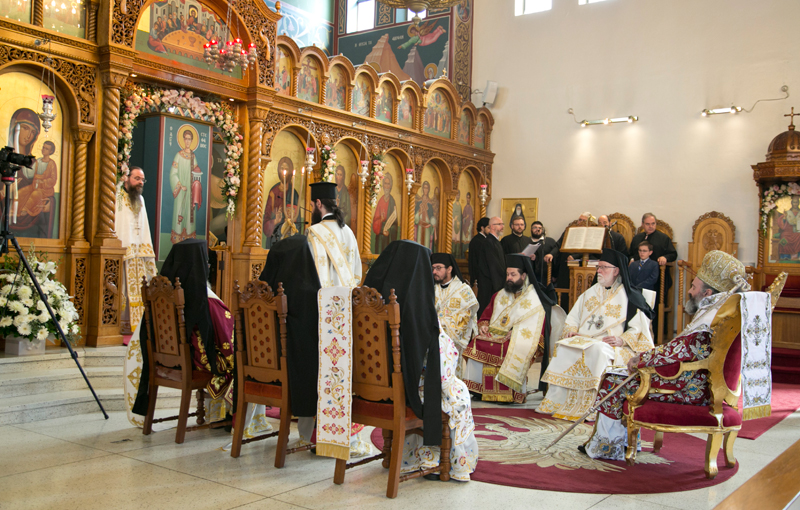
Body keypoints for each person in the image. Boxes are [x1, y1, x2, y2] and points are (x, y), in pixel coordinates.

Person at [581, 250, 749, 460]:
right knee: (619, 376)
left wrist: (640, 360)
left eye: (693, 287)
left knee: (613, 380)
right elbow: (680, 349)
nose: (689, 291)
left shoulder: (710, 319)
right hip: (701, 382)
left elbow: (678, 350)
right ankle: (621, 442)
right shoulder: (719, 312)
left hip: (690, 388)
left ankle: (609, 448)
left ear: (707, 293)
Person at [261, 181, 367, 455]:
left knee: (311, 373)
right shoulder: (349, 233)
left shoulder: (314, 233)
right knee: (341, 374)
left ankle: (308, 434)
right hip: (344, 315)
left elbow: (307, 277)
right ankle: (343, 435)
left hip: (318, 313)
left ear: (318, 205)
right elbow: (356, 275)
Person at [364, 241, 479, 481]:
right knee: (458, 394)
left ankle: (404, 456)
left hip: (369, 393)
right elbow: (444, 374)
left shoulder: (365, 310)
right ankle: (436, 459)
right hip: (407, 397)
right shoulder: (422, 322)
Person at [128, 240, 248, 430]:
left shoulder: (160, 295)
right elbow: (228, 339)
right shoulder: (206, 301)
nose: (208, 266)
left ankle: (216, 414)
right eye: (205, 261)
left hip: (166, 360)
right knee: (240, 362)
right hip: (194, 362)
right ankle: (229, 417)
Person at [537, 248, 655, 421]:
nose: (598, 271)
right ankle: (557, 402)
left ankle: (592, 404)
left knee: (598, 350)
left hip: (611, 345)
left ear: (616, 271)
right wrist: (570, 330)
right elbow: (573, 317)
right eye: (598, 267)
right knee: (563, 347)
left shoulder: (630, 296)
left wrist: (622, 340)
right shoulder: (590, 292)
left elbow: (639, 328)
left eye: (604, 267)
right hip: (583, 340)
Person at [463, 254, 554, 403]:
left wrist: (516, 333)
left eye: (513, 275)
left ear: (523, 276)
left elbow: (540, 325)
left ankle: (507, 394)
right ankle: (478, 389)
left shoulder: (535, 298)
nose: (509, 278)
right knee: (477, 342)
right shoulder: (499, 295)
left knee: (507, 347)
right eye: (507, 274)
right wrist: (484, 325)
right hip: (497, 334)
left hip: (524, 338)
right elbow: (486, 315)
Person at [115, 167, 158, 334]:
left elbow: (144, 226)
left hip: (140, 253)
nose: (140, 182)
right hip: (124, 252)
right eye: (137, 178)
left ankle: (138, 327)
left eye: (142, 179)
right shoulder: (117, 196)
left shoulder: (141, 200)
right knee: (124, 289)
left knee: (140, 289)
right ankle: (121, 325)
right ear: (126, 178)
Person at [431, 252, 478, 378]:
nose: (435, 272)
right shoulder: (431, 289)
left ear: (450, 269)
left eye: (438, 268)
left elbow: (467, 318)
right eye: (433, 268)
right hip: (431, 335)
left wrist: (440, 328)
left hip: (452, 338)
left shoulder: (463, 291)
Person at [629, 213, 677, 332]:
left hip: (657, 279)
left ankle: (656, 333)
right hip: (637, 277)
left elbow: (673, 254)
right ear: (642, 225)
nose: (650, 226)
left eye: (653, 224)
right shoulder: (637, 238)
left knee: (654, 306)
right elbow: (631, 254)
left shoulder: (663, 238)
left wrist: (665, 257)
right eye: (648, 224)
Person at [553, 212, 597, 307]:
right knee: (564, 296)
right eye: (579, 219)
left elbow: (591, 250)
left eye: (583, 220)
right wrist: (550, 254)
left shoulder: (592, 233)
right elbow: (559, 245)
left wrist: (576, 257)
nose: (580, 222)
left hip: (582, 267)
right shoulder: (569, 230)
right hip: (565, 268)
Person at [170, 129, 203, 244]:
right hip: (181, 192)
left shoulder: (193, 157)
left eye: (190, 139)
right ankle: (178, 239)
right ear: (183, 140)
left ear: (192, 141)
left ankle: (189, 240)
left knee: (190, 216)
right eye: (186, 139)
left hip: (190, 192)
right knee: (179, 213)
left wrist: (195, 186)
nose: (187, 141)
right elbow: (173, 173)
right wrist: (180, 185)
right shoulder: (178, 156)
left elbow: (197, 173)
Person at [473, 217, 506, 317]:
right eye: (500, 224)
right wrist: (500, 285)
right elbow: (494, 266)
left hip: (494, 282)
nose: (502, 227)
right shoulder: (488, 243)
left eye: (502, 224)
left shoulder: (496, 242)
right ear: (492, 226)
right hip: (490, 284)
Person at [371, 172, 397, 253]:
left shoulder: (392, 202)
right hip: (380, 236)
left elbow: (395, 224)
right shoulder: (380, 201)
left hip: (388, 239)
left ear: (391, 186)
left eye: (388, 184)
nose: (386, 186)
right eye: (385, 183)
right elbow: (375, 221)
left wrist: (389, 231)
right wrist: (381, 221)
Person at [528, 221, 559, 286]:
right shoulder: (526, 241)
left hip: (546, 276)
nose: (537, 229)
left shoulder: (549, 241)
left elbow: (556, 255)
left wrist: (554, 275)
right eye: (535, 227)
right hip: (530, 275)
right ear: (531, 230)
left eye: (540, 228)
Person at [467, 217, 489, 288]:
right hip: (479, 278)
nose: (491, 230)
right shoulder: (479, 241)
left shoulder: (481, 240)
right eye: (488, 227)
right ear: (482, 228)